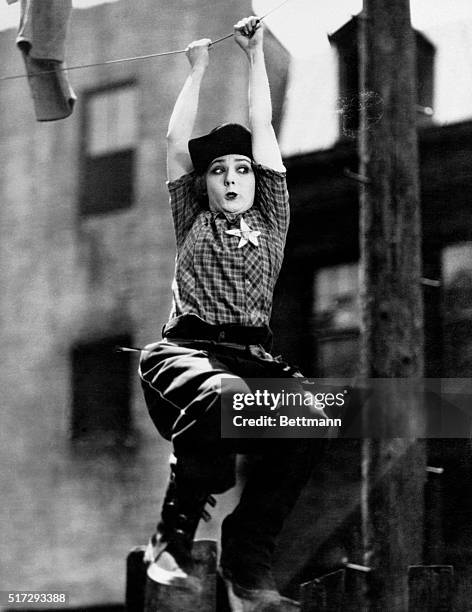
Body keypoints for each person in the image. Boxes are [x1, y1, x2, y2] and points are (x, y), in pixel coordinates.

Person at [139, 16, 314, 610]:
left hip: (252, 357)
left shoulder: (273, 220)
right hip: (184, 357)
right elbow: (172, 145)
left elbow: (262, 125)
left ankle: (247, 565)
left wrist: (255, 53)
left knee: (314, 417)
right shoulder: (193, 218)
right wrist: (200, 70)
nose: (233, 178)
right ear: (205, 185)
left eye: (241, 169)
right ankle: (170, 540)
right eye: (219, 171)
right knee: (225, 391)